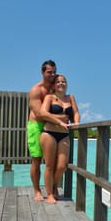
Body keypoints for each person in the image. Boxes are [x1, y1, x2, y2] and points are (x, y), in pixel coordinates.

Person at [27, 60, 68, 201]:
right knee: (37, 160)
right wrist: (59, 121)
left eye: (54, 72)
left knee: (57, 162)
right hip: (36, 126)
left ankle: (53, 186)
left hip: (52, 128)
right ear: (42, 72)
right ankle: (37, 190)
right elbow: (40, 114)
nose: (52, 75)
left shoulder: (55, 87)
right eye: (49, 72)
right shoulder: (36, 90)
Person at [40, 74, 80, 203]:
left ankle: (54, 184)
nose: (61, 84)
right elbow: (43, 113)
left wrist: (77, 122)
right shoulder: (49, 97)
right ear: (53, 85)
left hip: (64, 134)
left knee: (62, 166)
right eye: (58, 82)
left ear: (66, 84)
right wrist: (59, 121)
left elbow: (76, 113)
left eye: (63, 82)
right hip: (49, 133)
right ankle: (50, 193)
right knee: (49, 165)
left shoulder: (70, 97)